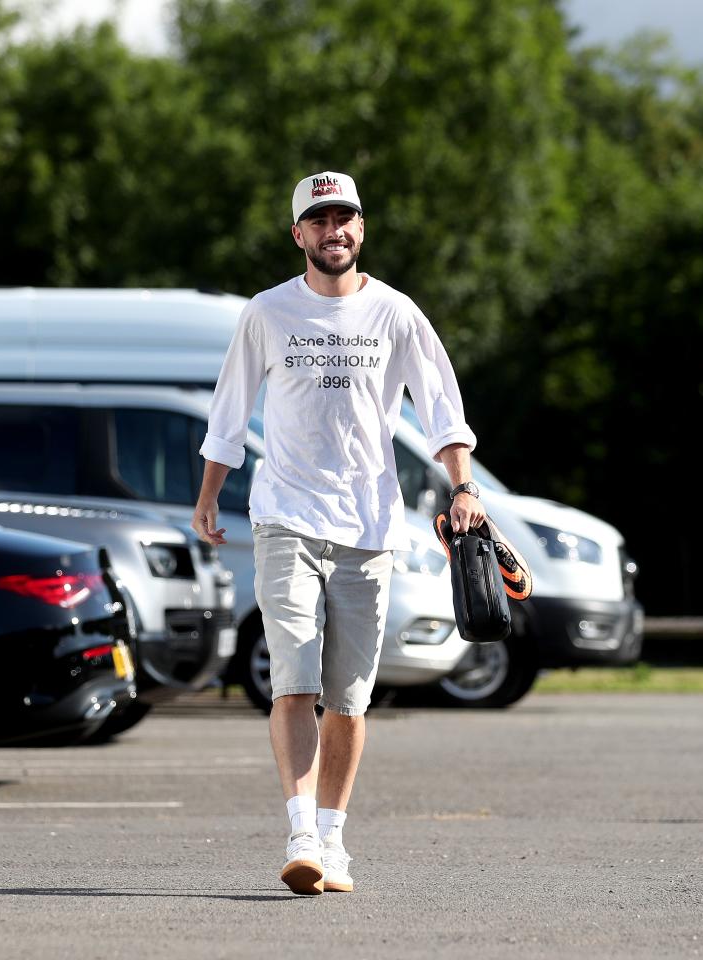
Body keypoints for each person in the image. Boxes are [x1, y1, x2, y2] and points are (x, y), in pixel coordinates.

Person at [191, 170, 486, 896]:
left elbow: (441, 405)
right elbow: (230, 411)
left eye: (344, 218)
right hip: (285, 516)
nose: (334, 231)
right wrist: (209, 497)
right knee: (293, 680)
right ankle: (299, 831)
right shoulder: (266, 313)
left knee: (350, 699)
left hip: (368, 524)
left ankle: (333, 837)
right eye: (319, 221)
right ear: (299, 234)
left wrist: (464, 486)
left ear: (362, 228)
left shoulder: (396, 313)